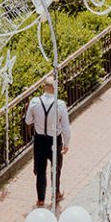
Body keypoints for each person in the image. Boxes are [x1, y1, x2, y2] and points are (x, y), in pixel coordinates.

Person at [25, 76, 71, 206]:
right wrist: (66, 143)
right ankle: (55, 193)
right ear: (55, 89)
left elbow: (28, 121)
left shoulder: (35, 102)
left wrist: (37, 121)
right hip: (54, 141)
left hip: (39, 140)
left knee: (40, 170)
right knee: (56, 168)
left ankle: (40, 199)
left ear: (44, 87)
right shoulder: (60, 104)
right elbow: (65, 128)